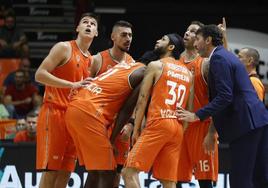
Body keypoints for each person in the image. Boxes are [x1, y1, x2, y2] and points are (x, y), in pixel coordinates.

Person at [177, 24, 268, 188]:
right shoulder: (225, 55)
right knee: (259, 177)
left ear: (208, 40)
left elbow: (225, 96)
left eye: (198, 39)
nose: (195, 44)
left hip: (245, 123)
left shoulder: (218, 58)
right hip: (258, 121)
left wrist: (197, 115)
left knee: (241, 180)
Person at [35, 12, 98, 188]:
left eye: (93, 24)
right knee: (50, 173)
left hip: (74, 121)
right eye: (84, 22)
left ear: (96, 33)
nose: (88, 24)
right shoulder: (64, 48)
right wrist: (72, 85)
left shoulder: (92, 61)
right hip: (54, 113)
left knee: (64, 176)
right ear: (77, 28)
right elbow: (39, 74)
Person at [122, 33, 193, 188]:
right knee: (168, 181)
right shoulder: (188, 73)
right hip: (177, 128)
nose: (157, 40)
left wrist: (136, 129)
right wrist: (181, 129)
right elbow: (189, 109)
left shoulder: (156, 65)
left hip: (158, 122)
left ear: (171, 47)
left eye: (163, 39)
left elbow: (142, 100)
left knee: (128, 172)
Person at [65, 62, 146, 188]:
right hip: (90, 113)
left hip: (74, 108)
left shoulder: (125, 64)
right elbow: (126, 110)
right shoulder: (144, 73)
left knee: (95, 172)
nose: (128, 40)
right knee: (108, 172)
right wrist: (112, 139)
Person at [90, 20, 135, 187]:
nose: (128, 38)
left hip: (121, 124)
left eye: (130, 35)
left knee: (116, 175)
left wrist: (131, 124)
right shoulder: (98, 60)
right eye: (124, 35)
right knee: (97, 173)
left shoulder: (132, 63)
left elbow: (136, 99)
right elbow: (84, 92)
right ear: (113, 37)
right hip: (99, 123)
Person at [177, 21, 219, 188]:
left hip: (201, 128)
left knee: (204, 182)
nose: (187, 33)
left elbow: (219, 99)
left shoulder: (206, 63)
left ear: (200, 38)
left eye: (193, 31)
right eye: (186, 30)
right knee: (176, 178)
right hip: (179, 126)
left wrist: (212, 132)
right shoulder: (175, 62)